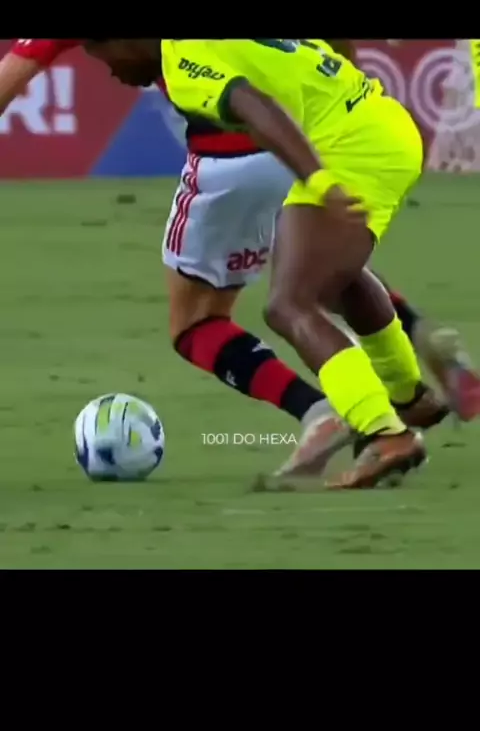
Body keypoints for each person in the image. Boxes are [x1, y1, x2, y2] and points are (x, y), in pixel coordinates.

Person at [2, 39, 479, 481]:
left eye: (103, 55)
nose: (109, 72)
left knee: (246, 313)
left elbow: (253, 106)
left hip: (278, 153)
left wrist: (318, 179)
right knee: (332, 273)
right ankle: (409, 385)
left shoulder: (181, 60)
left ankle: (364, 426)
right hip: (358, 123)